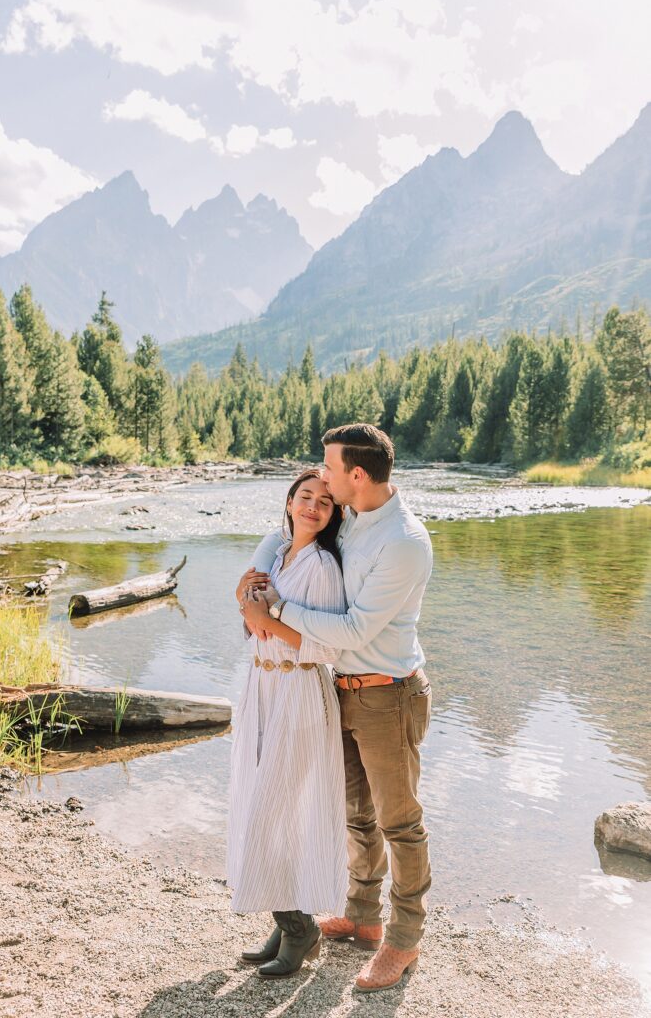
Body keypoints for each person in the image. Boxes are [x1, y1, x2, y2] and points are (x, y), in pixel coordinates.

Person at [241, 423, 433, 993]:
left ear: (357, 474)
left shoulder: (403, 542)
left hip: (387, 692)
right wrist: (248, 585)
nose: (320, 475)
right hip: (338, 689)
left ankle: (403, 942)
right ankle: (362, 916)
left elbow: (351, 629)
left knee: (400, 823)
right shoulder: (350, 517)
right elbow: (287, 535)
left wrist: (273, 613)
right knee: (356, 814)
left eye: (329, 467)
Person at [227, 468, 349, 979]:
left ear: (333, 513)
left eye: (324, 501)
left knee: (277, 808)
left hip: (299, 691)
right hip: (261, 687)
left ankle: (300, 928)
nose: (313, 506)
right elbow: (253, 623)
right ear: (290, 500)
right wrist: (249, 610)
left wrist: (268, 619)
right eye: (305, 496)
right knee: (263, 800)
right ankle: (289, 921)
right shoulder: (277, 555)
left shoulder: (321, 566)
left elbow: (329, 646)